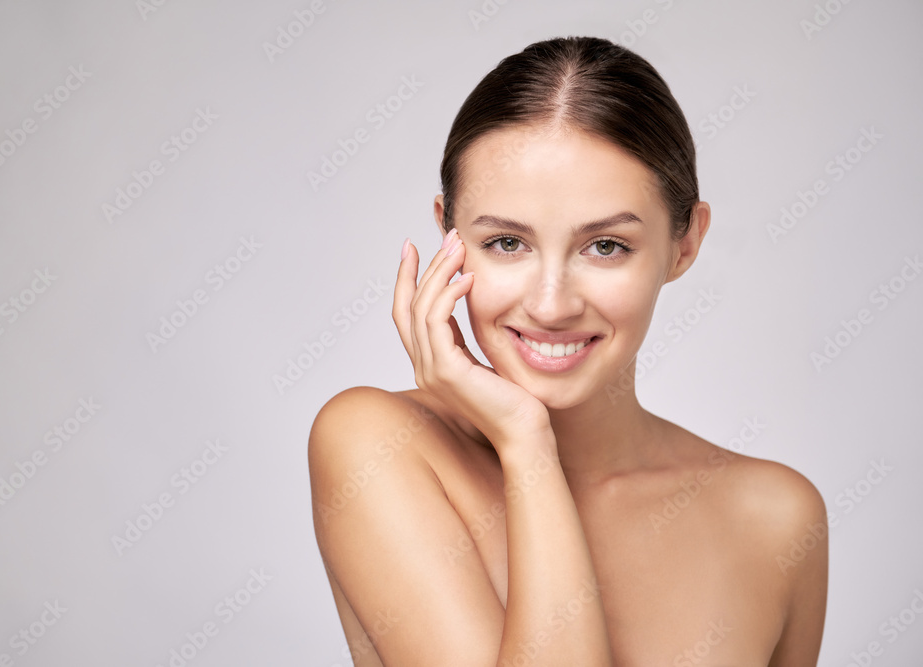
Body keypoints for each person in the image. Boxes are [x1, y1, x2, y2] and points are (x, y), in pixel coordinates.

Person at [308, 36, 827, 666]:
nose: (551, 305)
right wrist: (527, 444)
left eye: (605, 246)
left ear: (684, 244)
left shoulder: (776, 518)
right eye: (505, 243)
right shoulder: (375, 443)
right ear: (449, 235)